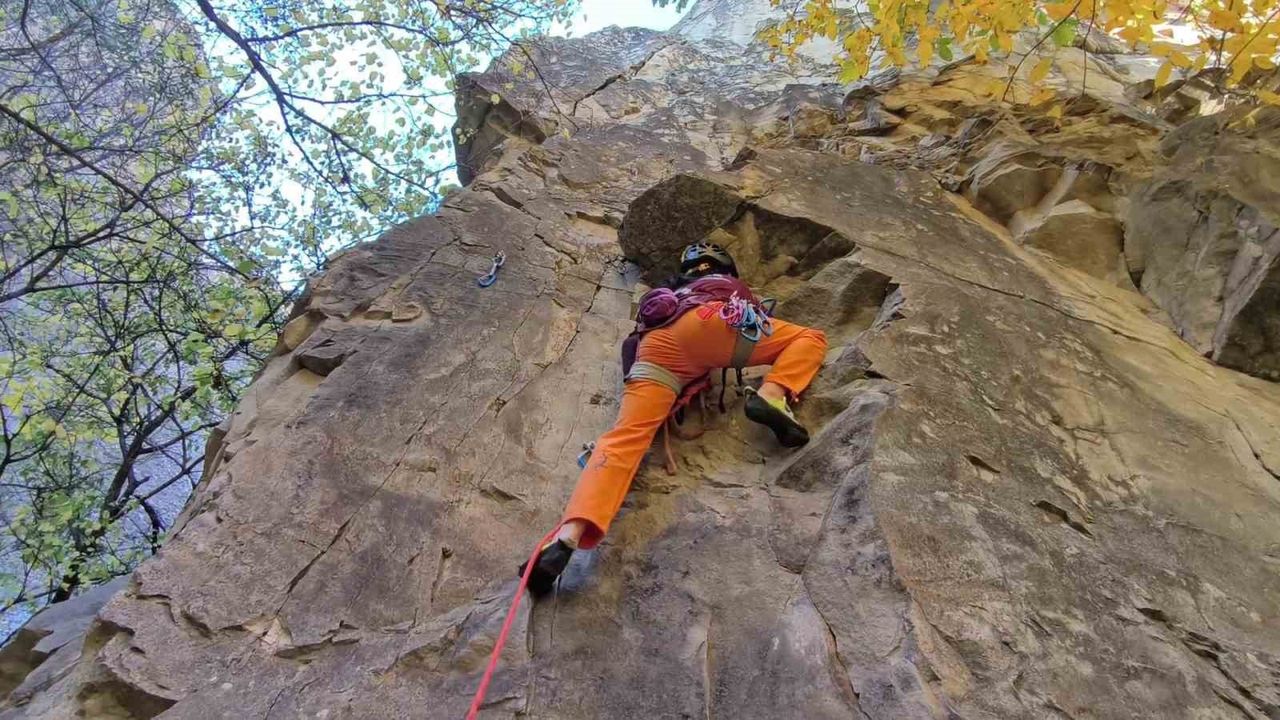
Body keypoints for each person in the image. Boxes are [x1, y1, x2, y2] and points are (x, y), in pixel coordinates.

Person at [520, 242, 828, 594]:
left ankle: (567, 536)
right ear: (725, 266)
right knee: (810, 338)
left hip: (656, 347)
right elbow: (752, 319)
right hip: (712, 322)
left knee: (622, 442)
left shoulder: (673, 291)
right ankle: (772, 396)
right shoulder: (725, 283)